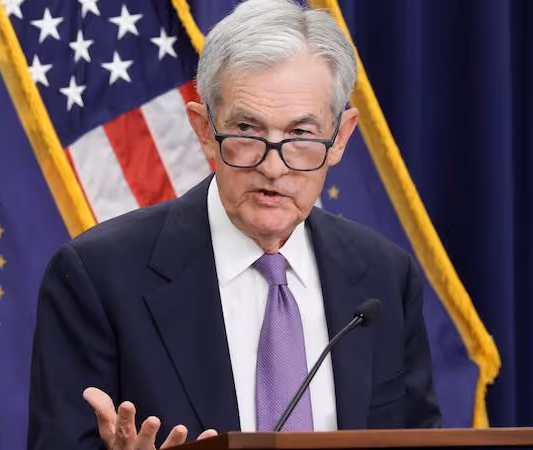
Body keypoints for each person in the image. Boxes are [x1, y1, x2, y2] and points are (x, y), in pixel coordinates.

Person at [28, 0, 441, 448]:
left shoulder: (384, 277)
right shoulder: (97, 278)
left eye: (301, 135)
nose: (273, 166)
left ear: (339, 137)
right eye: (247, 130)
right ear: (204, 128)